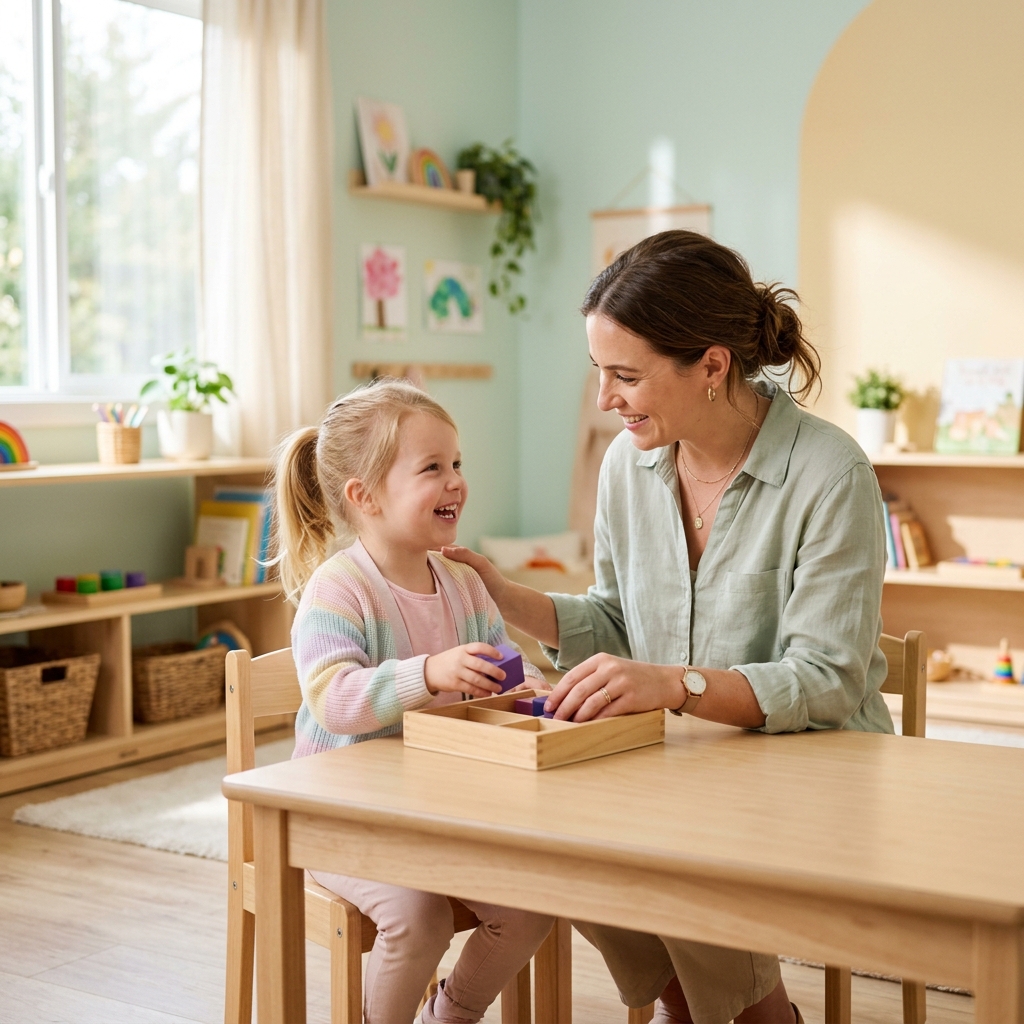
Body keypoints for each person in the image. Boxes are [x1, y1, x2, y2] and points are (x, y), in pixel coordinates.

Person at [445, 230, 893, 1024]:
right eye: (600, 374)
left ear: (712, 367)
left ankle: (742, 1015)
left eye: (626, 376)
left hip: (811, 769)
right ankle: (707, 1008)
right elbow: (617, 621)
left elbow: (826, 680)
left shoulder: (832, 474)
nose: (604, 401)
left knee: (673, 856)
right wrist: (504, 595)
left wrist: (675, 687)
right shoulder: (629, 465)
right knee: (562, 840)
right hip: (683, 764)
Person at [273, 379, 554, 1024]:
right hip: (342, 818)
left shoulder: (461, 582)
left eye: (458, 465)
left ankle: (450, 1014)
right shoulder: (338, 590)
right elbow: (335, 701)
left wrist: (536, 692)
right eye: (433, 468)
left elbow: (506, 672)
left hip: (435, 813)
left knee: (532, 898)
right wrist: (427, 672)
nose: (455, 481)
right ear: (364, 497)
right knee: (419, 916)